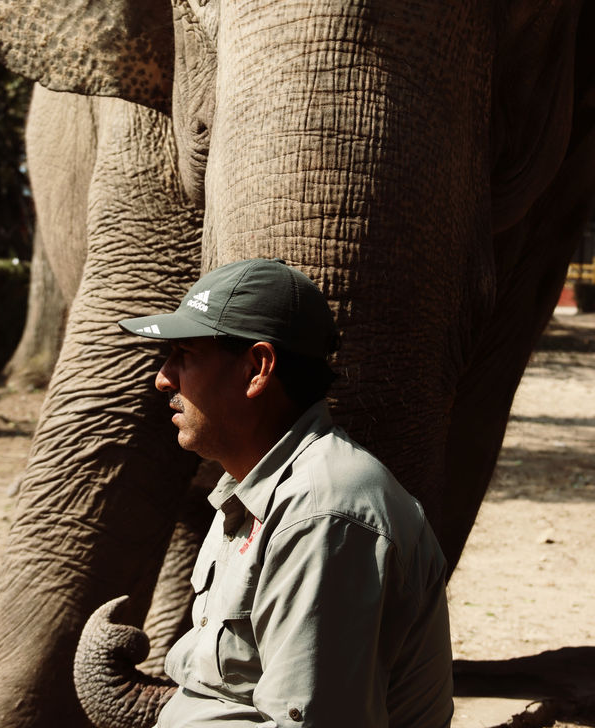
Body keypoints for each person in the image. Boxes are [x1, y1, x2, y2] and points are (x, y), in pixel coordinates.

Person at [119, 258, 453, 728]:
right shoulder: (256, 486)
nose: (163, 378)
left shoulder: (323, 514)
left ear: (257, 369)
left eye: (185, 355)